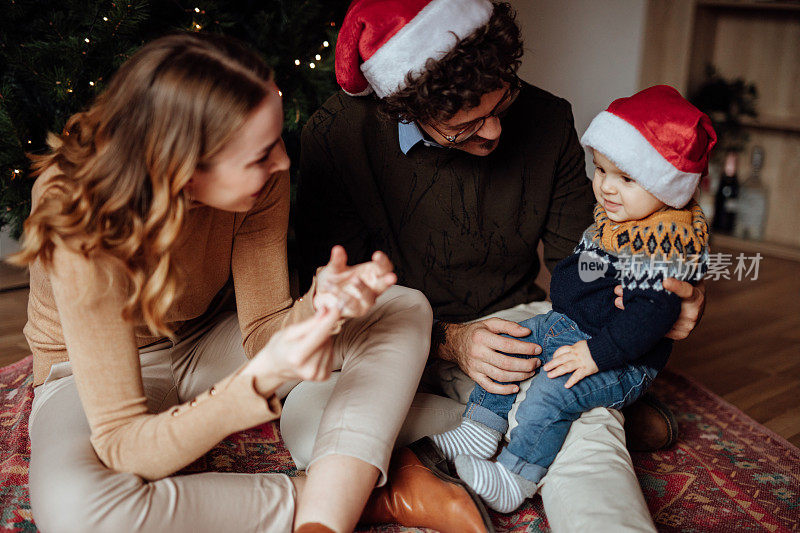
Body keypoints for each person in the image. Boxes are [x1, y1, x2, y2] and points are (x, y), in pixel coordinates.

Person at [290, 1, 707, 531]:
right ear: (404, 108)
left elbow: (585, 262)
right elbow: (331, 291)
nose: (494, 133)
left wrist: (672, 293)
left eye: (501, 104)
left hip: (518, 323)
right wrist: (449, 341)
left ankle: (572, 430)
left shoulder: (548, 117)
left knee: (573, 404)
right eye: (464, 127)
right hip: (393, 333)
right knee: (307, 421)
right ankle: (548, 421)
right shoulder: (337, 137)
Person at [11, 32, 434, 533]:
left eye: (277, 140)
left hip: (205, 339)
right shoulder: (74, 211)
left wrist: (321, 307)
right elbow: (126, 446)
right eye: (258, 157)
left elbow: (264, 329)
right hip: (84, 375)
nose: (281, 162)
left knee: (398, 306)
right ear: (183, 170)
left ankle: (324, 517)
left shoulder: (263, 179)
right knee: (80, 511)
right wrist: (254, 385)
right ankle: (351, 495)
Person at [432, 85, 714, 513]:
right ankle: (480, 428)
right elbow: (571, 281)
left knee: (554, 389)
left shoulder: (661, 244)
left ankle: (515, 475)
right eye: (600, 171)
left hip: (621, 355)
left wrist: (594, 355)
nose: (607, 189)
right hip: (574, 325)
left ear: (666, 187)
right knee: (514, 339)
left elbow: (642, 324)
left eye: (627, 178)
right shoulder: (612, 223)